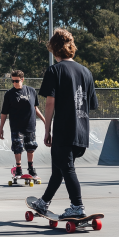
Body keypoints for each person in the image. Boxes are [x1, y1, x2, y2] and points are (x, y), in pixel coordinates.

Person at [30, 29, 98, 219]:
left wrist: (47, 129)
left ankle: (77, 205)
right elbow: (91, 104)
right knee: (59, 168)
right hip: (82, 132)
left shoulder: (54, 70)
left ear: (54, 49)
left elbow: (50, 103)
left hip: (64, 130)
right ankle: (43, 203)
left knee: (66, 168)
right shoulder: (86, 72)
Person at [0, 70, 46, 177]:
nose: (15, 83)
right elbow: (4, 113)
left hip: (30, 124)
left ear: (22, 79)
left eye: (17, 81)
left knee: (31, 146)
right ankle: (18, 168)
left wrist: (45, 120)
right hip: (16, 126)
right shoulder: (9, 94)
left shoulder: (31, 91)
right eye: (13, 81)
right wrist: (1, 128)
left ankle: (31, 168)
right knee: (17, 147)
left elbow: (35, 108)